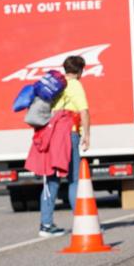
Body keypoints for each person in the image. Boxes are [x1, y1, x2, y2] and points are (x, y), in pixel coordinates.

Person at [39, 55, 91, 236]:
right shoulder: (75, 84)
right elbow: (83, 111)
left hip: (52, 133)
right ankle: (82, 222)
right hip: (69, 133)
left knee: (52, 178)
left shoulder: (56, 85)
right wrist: (87, 135)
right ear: (80, 70)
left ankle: (46, 224)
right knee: (74, 178)